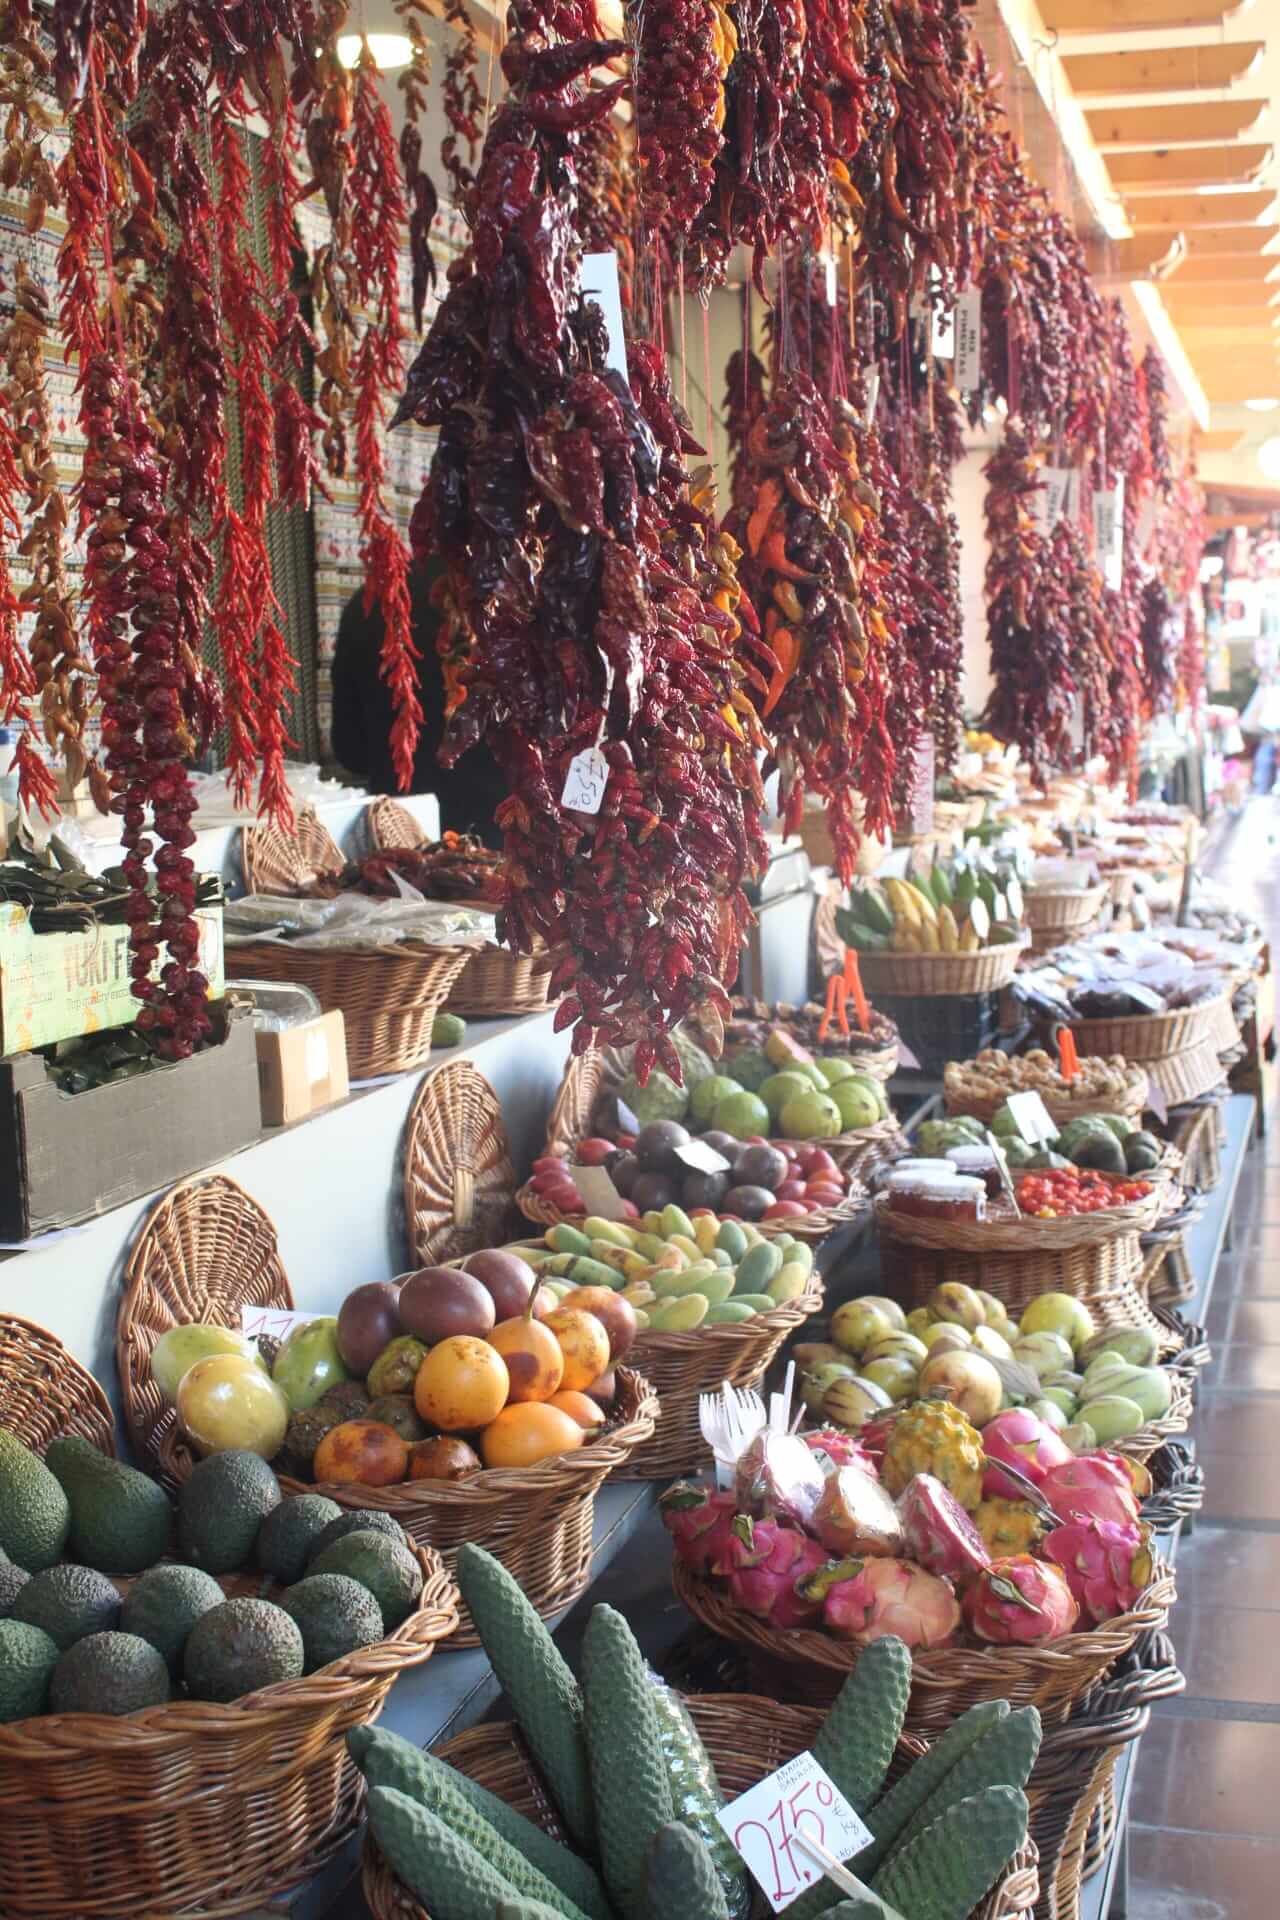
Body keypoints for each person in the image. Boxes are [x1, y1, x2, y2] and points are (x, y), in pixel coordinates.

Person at [329, 559, 507, 847]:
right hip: (505, 843)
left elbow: (351, 751)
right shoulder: (523, 599)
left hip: (400, 839)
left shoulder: (371, 602)